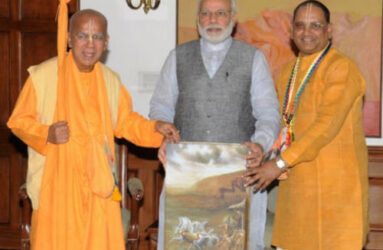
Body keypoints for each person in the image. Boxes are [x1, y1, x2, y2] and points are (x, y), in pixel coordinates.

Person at [7, 9, 179, 250]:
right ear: (68, 39)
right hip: (56, 190)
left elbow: (126, 122)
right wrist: (47, 133)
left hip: (100, 190)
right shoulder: (43, 75)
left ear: (106, 42)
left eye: (97, 37)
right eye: (82, 36)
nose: (90, 44)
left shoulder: (110, 80)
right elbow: (18, 121)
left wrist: (157, 128)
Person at [149, 0, 280, 248]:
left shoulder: (253, 58)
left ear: (233, 17)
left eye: (220, 13)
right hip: (186, 175)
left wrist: (260, 144)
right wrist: (163, 132)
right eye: (206, 13)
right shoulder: (177, 56)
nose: (212, 19)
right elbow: (160, 107)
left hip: (238, 175)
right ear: (198, 18)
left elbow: (269, 113)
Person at [243, 1, 369, 249]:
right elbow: (284, 125)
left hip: (336, 194)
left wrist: (277, 164)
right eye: (300, 25)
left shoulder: (341, 68)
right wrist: (263, 151)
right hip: (296, 190)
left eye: (315, 26)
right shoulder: (289, 70)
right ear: (291, 31)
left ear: (329, 30)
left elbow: (325, 126)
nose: (306, 32)